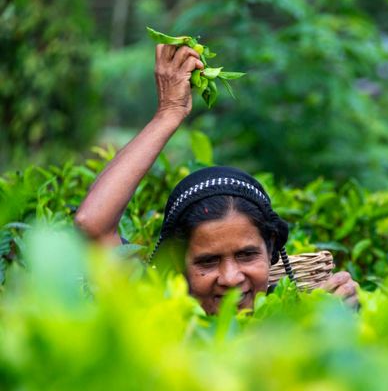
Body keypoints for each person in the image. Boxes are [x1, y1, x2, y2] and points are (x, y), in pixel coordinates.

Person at [75, 43, 358, 314]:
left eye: (247, 255)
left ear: (270, 248)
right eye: (207, 261)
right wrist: (169, 112)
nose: (231, 278)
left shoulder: (291, 316)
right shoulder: (157, 315)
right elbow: (93, 225)